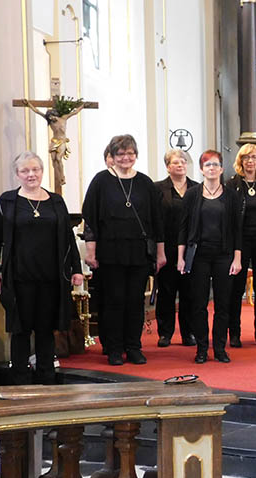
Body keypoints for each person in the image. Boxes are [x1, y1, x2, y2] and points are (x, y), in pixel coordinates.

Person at [0, 152, 83, 384]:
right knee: (20, 329)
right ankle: (19, 378)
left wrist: (76, 269)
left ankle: (46, 376)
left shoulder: (56, 201)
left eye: (35, 170)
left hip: (51, 278)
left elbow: (69, 239)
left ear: (41, 172)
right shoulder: (7, 201)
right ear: (17, 174)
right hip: (19, 278)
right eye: (25, 171)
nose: (31, 175)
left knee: (46, 328)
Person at [82, 134, 166, 366]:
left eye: (130, 153)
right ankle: (114, 348)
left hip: (138, 251)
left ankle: (134, 346)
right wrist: (91, 252)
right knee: (114, 300)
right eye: (121, 153)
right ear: (112, 156)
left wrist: (160, 253)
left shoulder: (145, 183)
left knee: (135, 300)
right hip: (110, 252)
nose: (126, 157)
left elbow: (157, 222)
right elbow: (91, 220)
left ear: (136, 156)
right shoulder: (101, 181)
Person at [177, 150, 242, 364]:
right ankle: (202, 348)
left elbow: (237, 229)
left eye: (215, 165)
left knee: (223, 304)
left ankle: (220, 348)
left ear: (222, 169)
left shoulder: (231, 195)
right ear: (201, 169)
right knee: (199, 304)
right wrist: (181, 257)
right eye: (207, 165)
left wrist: (237, 258)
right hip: (198, 256)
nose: (212, 168)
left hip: (224, 255)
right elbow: (183, 229)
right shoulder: (192, 194)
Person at [225, 143, 256, 348]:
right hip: (240, 241)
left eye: (254, 157)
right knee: (236, 289)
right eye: (246, 158)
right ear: (240, 161)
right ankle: (234, 333)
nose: (250, 161)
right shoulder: (232, 184)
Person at [154, 149, 197, 348]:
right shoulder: (157, 189)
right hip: (166, 245)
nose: (180, 165)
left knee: (189, 291)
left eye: (183, 161)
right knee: (166, 291)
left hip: (190, 248)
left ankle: (188, 333)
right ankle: (165, 333)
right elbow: (155, 220)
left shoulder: (197, 188)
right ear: (167, 166)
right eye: (175, 162)